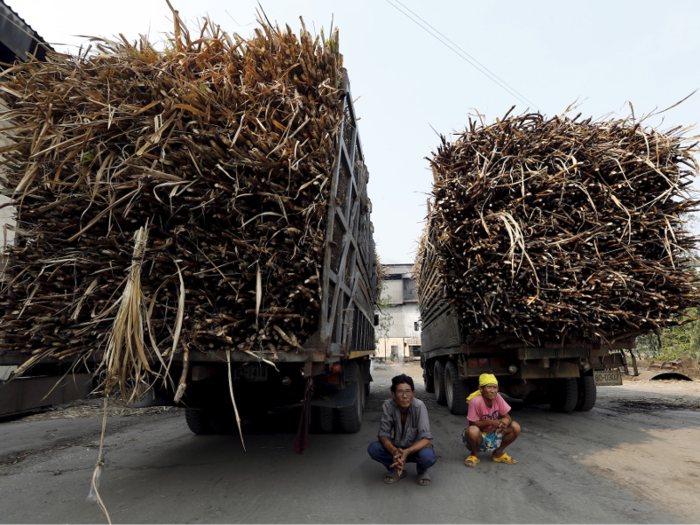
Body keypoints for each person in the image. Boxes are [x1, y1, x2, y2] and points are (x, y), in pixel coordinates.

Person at [367, 374, 437, 485]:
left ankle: (422, 471)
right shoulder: (388, 406)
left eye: (408, 391)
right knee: (374, 448)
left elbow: (427, 439)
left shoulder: (419, 406)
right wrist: (394, 451)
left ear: (413, 393)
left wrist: (408, 451)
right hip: (397, 448)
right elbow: (383, 435)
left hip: (415, 449)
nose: (405, 396)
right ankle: (395, 469)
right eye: (400, 392)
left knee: (427, 456)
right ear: (393, 395)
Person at [462, 373, 521, 467]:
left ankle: (498, 453)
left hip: (494, 433)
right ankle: (474, 454)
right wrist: (490, 422)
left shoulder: (497, 397)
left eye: (495, 387)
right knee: (472, 430)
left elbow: (507, 417)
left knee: (515, 426)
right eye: (489, 387)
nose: (493, 391)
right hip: (479, 435)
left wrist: (506, 421)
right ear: (481, 389)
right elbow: (473, 423)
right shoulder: (475, 401)